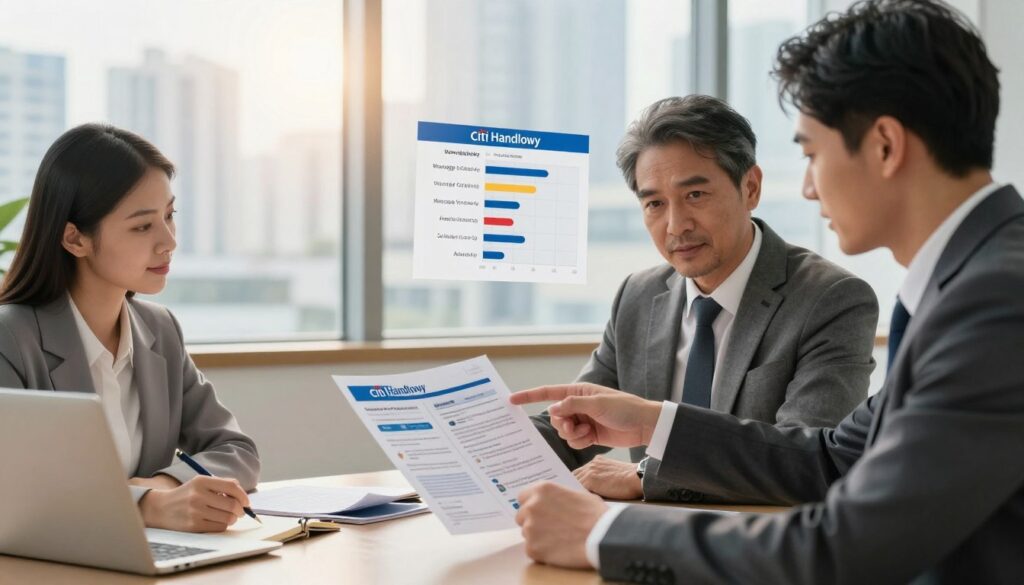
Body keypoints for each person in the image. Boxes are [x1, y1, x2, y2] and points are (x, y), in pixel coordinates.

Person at [511, 0, 1024, 582]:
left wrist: (602, 533)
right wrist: (656, 421)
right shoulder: (972, 281)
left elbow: (847, 547)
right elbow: (830, 458)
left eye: (811, 153)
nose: (807, 187)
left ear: (885, 145)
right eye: (654, 202)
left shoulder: (998, 301)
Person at [533, 95, 877, 502]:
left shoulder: (831, 299)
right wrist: (475, 453)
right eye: (655, 203)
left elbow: (805, 461)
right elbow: (576, 426)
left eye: (695, 195)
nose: (676, 225)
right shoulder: (638, 296)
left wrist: (647, 475)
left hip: (760, 545)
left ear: (750, 187)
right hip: (644, 538)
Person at [0, 123, 259, 534]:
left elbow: (237, 450)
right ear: (75, 238)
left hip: (148, 558)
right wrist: (144, 506)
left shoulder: (160, 330)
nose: (169, 241)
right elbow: (14, 492)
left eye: (170, 216)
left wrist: (163, 485)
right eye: (143, 226)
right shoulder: (11, 339)